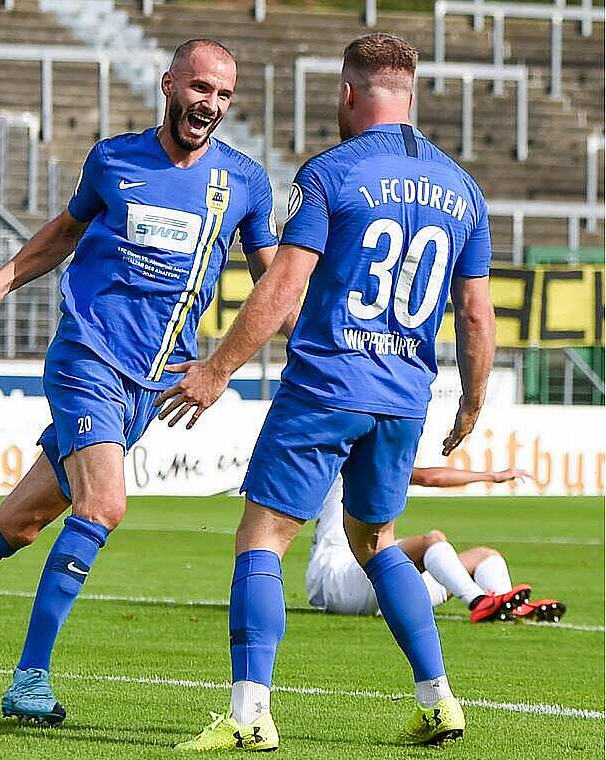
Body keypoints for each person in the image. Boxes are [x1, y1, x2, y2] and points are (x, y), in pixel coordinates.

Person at [0, 39, 281, 726]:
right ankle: (29, 681)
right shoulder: (113, 158)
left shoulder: (245, 183)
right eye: (200, 88)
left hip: (151, 381)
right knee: (103, 505)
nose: (210, 105)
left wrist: (240, 353)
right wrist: (7, 277)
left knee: (17, 524)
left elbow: (274, 284)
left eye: (223, 95)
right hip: (88, 357)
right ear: (169, 84)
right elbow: (68, 229)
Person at [157, 33, 497, 750]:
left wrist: (216, 370)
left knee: (263, 537)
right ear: (410, 95)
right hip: (405, 398)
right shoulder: (464, 189)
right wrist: (471, 400)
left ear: (348, 93)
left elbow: (284, 284)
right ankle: (438, 700)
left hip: (328, 383)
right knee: (376, 543)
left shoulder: (330, 174)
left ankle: (249, 715)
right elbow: (474, 313)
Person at [309, 468, 565, 623]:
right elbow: (429, 477)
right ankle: (478, 602)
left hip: (377, 592)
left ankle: (506, 608)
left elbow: (429, 477)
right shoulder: (351, 461)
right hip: (339, 581)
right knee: (432, 540)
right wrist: (491, 476)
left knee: (484, 556)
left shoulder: (367, 457)